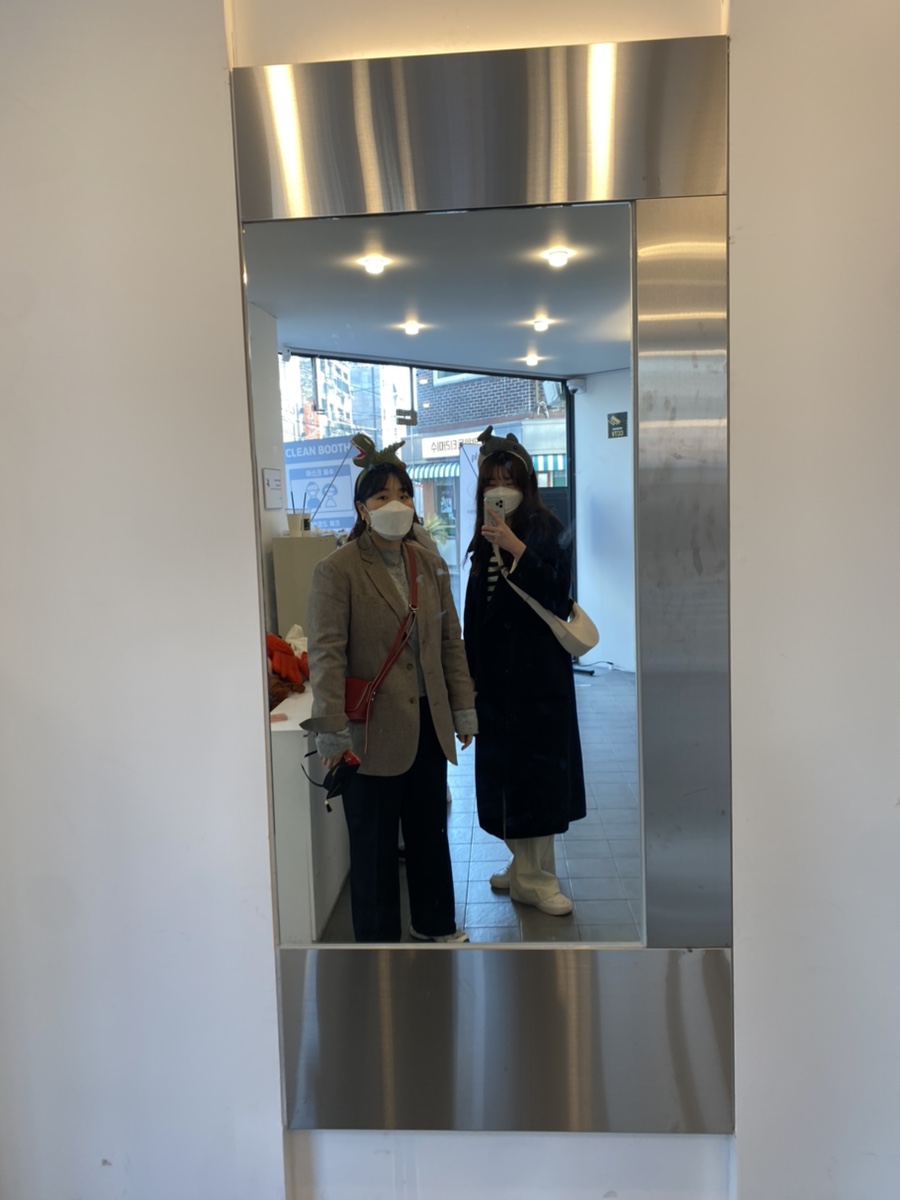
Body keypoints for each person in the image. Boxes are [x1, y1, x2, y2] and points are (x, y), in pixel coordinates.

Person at [302, 434, 476, 943]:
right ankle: (377, 947)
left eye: (403, 494)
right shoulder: (336, 571)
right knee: (374, 843)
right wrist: (331, 733)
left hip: (427, 721)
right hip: (369, 730)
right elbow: (327, 654)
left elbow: (450, 642)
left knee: (429, 831)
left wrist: (463, 710)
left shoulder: (430, 564)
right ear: (362, 508)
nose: (395, 504)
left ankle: (434, 923)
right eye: (381, 496)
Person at [463, 425, 586, 916]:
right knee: (506, 782)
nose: (500, 489)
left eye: (509, 480)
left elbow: (558, 596)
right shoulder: (482, 536)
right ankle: (522, 869)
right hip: (496, 685)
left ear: (526, 483)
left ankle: (537, 879)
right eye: (492, 481)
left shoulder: (547, 529)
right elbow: (476, 611)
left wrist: (518, 549)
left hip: (538, 683)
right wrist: (470, 675)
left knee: (538, 782)